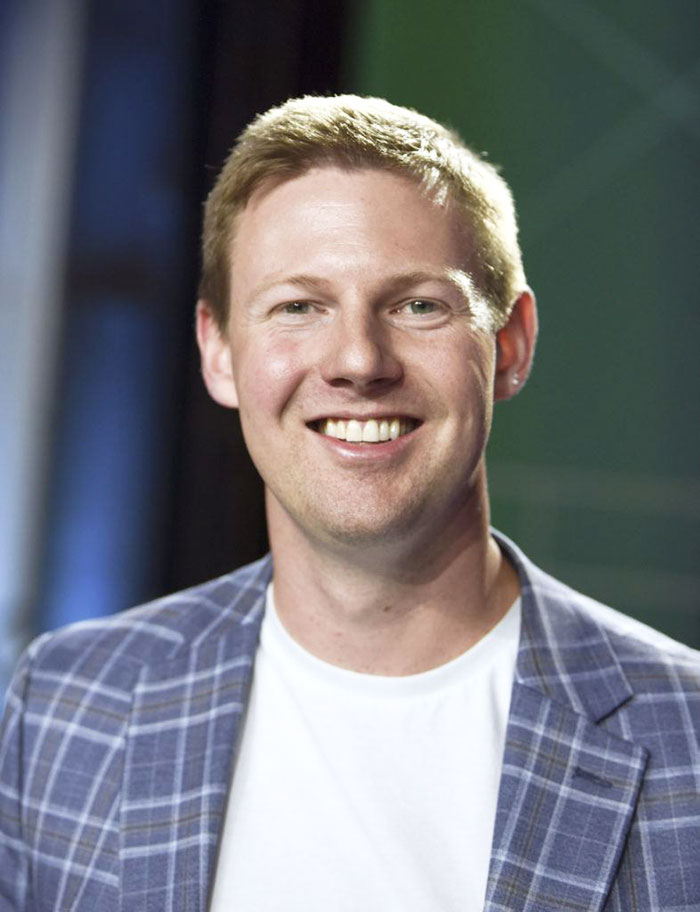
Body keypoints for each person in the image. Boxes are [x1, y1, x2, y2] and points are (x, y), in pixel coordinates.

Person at [1, 95, 699, 912]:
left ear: (510, 345)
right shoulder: (67, 706)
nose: (359, 361)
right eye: (298, 307)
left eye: (418, 305)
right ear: (218, 351)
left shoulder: (686, 739)